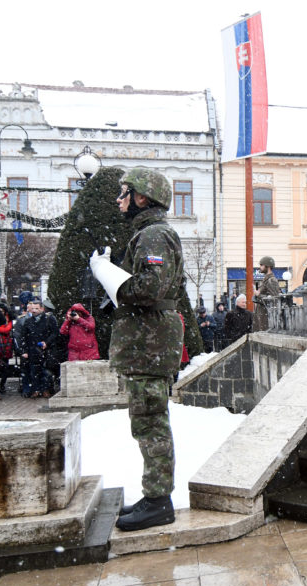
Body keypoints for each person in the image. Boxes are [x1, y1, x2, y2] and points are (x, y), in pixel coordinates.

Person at [90, 167, 184, 532]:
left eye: (124, 192)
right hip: (149, 341)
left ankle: (159, 501)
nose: (119, 199)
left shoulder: (154, 235)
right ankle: (154, 494)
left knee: (150, 422)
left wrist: (105, 273)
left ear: (142, 198)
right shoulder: (150, 234)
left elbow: (148, 290)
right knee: (148, 420)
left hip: (150, 343)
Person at [20, 298, 58, 398]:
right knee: (34, 371)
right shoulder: (28, 321)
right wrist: (24, 350)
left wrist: (46, 342)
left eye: (36, 308)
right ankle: (35, 390)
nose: (34, 311)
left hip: (46, 350)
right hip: (33, 350)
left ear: (41, 309)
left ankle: (45, 390)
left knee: (45, 372)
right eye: (32, 308)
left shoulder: (49, 319)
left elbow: (55, 333)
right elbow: (23, 336)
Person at [253, 255, 280, 331]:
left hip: (266, 317)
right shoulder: (266, 279)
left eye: (261, 265)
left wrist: (259, 295)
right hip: (262, 315)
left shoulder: (271, 280)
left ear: (267, 266)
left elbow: (275, 299)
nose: (260, 267)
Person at [0, 302, 14, 396]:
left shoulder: (8, 319)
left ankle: (2, 384)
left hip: (5, 345)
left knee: (5, 366)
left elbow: (7, 329)